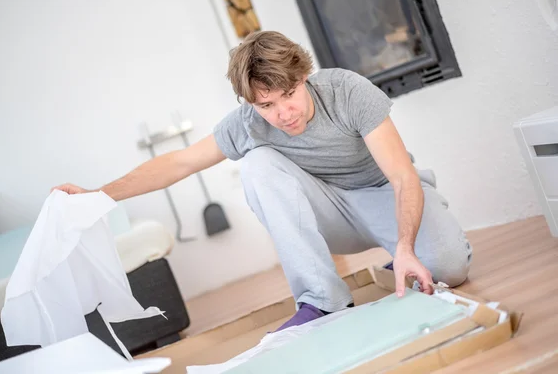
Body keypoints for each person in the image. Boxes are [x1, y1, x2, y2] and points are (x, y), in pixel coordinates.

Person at [54, 31, 472, 332]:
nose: (284, 113)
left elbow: (400, 176)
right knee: (256, 164)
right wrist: (97, 195)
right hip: (328, 215)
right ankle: (322, 302)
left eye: (289, 94)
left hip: (383, 196)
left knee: (450, 268)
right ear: (250, 102)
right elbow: (179, 163)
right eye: (267, 104)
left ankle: (396, 253)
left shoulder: (346, 90)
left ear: (304, 76)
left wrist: (404, 246)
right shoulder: (249, 124)